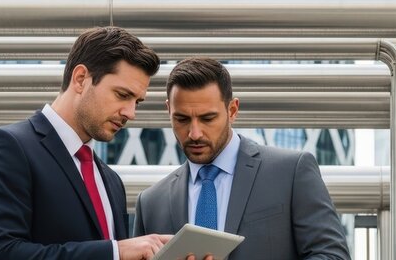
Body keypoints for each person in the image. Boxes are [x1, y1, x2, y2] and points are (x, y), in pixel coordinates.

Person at [0, 27, 173, 260]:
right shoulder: (6, 148)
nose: (131, 113)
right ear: (81, 79)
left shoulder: (111, 181)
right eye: (122, 95)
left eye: (137, 102)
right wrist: (116, 251)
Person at [133, 57, 350, 260]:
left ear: (233, 110)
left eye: (208, 118)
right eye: (182, 119)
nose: (195, 133)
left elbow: (332, 255)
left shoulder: (291, 173)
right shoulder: (151, 202)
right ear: (168, 110)